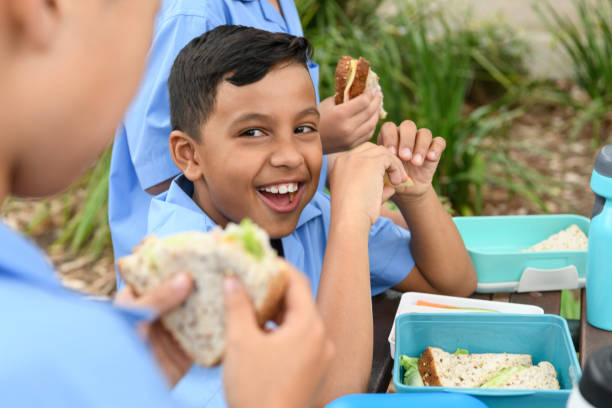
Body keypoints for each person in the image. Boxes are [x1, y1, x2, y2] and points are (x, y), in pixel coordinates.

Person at [0, 1, 332, 407]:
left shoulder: (62, 342)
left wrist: (126, 384)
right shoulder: (42, 361)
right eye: (146, 18)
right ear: (43, 10)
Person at [152, 25, 477, 407]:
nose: (290, 156)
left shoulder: (307, 212)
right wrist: (350, 220)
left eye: (305, 128)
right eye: (253, 132)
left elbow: (452, 284)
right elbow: (330, 399)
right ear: (190, 155)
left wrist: (414, 193)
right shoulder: (180, 271)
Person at [108, 0, 383, 266]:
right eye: (253, 132)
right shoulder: (193, 10)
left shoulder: (281, 4)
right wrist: (318, 132)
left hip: (289, 234)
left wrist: (347, 171)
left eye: (303, 128)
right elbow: (161, 171)